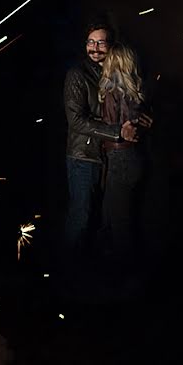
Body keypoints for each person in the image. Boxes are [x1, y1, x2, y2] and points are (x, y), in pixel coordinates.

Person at [63, 23, 132, 256]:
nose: (95, 48)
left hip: (107, 158)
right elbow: (76, 121)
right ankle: (68, 271)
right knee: (81, 218)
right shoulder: (77, 74)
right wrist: (116, 132)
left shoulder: (112, 72)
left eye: (101, 42)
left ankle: (87, 273)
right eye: (91, 42)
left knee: (99, 220)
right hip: (83, 158)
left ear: (110, 45)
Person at [97, 44, 153, 268]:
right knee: (116, 218)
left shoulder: (112, 91)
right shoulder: (134, 91)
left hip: (120, 160)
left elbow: (113, 128)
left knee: (118, 223)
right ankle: (119, 267)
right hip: (134, 159)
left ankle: (126, 272)